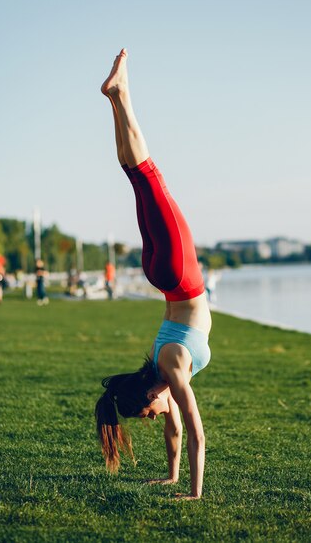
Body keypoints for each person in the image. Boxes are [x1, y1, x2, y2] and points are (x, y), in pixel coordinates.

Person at [95, 49, 212, 500]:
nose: (161, 416)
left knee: (149, 174)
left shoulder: (173, 370)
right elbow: (179, 434)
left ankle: (121, 95)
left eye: (150, 413)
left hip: (180, 274)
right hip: (162, 275)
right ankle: (114, 99)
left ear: (150, 395)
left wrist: (195, 494)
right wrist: (172, 477)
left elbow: (197, 436)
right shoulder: (162, 370)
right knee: (137, 176)